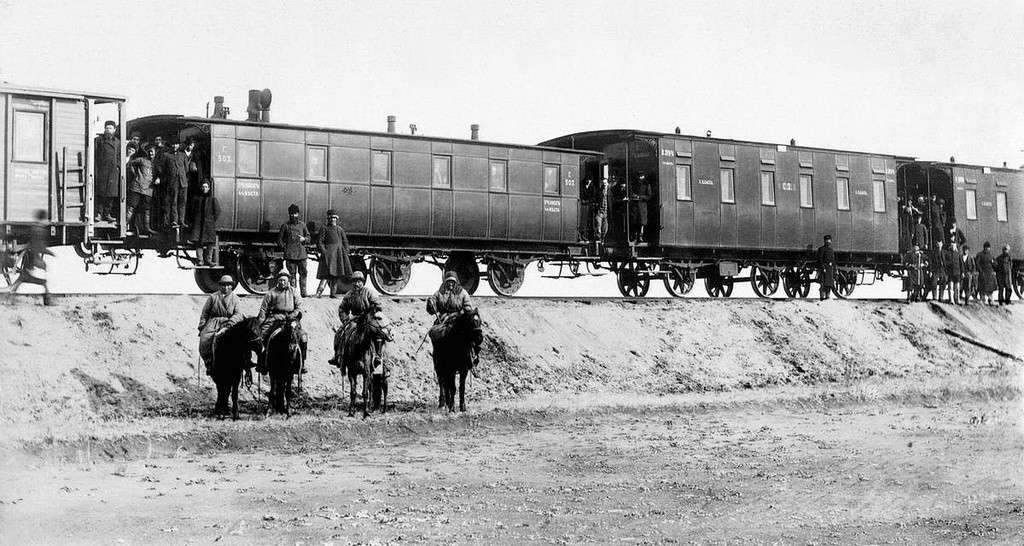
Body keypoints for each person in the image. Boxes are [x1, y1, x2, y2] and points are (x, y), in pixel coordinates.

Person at [330, 270, 383, 369]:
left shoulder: (369, 293)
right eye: (354, 281)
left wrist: (370, 315)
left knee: (378, 333)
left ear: (363, 282)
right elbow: (342, 309)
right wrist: (345, 319)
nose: (356, 284)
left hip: (368, 320)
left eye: (359, 282)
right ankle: (338, 356)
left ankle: (377, 355)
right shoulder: (348, 295)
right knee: (339, 333)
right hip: (354, 320)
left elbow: (377, 306)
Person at [257, 269, 304, 372]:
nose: (282, 283)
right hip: (275, 319)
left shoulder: (294, 292)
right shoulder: (271, 293)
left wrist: (293, 315)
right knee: (262, 337)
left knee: (303, 337)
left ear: (288, 281)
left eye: (284, 281)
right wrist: (261, 324)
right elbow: (263, 310)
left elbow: (300, 308)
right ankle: (262, 363)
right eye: (280, 280)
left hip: (291, 320)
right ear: (277, 281)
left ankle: (301, 364)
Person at [7, 209, 55, 306]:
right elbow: (38, 246)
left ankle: (10, 297)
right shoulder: (40, 230)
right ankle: (47, 299)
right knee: (40, 280)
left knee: (25, 279)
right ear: (43, 219)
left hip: (31, 258)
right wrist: (49, 253)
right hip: (34, 259)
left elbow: (33, 245)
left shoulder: (35, 228)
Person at [197, 275, 243, 376]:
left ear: (231, 286)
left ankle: (244, 364)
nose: (225, 288)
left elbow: (238, 314)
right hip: (214, 323)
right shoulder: (213, 297)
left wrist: (230, 323)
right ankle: (209, 364)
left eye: (228, 285)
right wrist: (202, 327)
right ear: (219, 286)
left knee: (241, 341)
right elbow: (205, 313)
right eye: (223, 285)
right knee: (205, 340)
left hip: (229, 323)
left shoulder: (235, 299)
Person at [314, 210, 353, 297]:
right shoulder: (324, 229)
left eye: (334, 218)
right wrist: (325, 252)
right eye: (331, 218)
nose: (333, 220)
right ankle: (318, 293)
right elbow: (319, 242)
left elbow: (345, 241)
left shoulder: (340, 229)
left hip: (338, 254)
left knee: (336, 275)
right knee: (325, 275)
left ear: (337, 219)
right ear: (328, 219)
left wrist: (346, 252)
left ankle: (333, 293)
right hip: (328, 255)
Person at [278, 203, 310, 297]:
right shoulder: (285, 226)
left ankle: (303, 293)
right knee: (292, 274)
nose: (293, 216)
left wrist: (304, 239)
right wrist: (286, 248)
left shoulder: (303, 225)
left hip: (302, 254)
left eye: (295, 213)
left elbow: (308, 238)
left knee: (303, 273)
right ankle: (294, 294)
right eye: (291, 214)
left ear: (298, 214)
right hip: (290, 255)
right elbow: (279, 240)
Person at [188, 179, 220, 266]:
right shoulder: (196, 198)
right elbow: (192, 210)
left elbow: (217, 211)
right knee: (198, 242)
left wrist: (211, 220)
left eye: (206, 187)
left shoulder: (212, 199)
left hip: (209, 224)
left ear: (209, 188)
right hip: (198, 224)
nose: (204, 189)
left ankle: (208, 260)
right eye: (203, 187)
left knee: (210, 243)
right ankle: (200, 260)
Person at [93, 120, 120, 223]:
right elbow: (94, 156)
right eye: (107, 128)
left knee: (111, 194)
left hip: (113, 171)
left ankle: (107, 214)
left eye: (110, 128)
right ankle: (99, 213)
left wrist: (117, 166)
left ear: (114, 130)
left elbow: (119, 156)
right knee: (101, 193)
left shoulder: (117, 142)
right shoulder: (98, 140)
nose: (108, 130)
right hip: (101, 170)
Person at [126, 145, 156, 236]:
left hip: (148, 190)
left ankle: (147, 228)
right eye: (149, 151)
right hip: (137, 188)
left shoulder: (157, 163)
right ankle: (125, 225)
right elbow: (130, 163)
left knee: (147, 209)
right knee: (131, 207)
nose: (151, 153)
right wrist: (135, 174)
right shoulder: (141, 160)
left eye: (152, 151)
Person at [161, 139, 189, 229]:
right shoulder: (167, 156)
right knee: (174, 202)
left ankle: (182, 220)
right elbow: (164, 169)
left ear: (179, 145)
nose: (175, 146)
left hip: (183, 182)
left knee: (183, 202)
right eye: (173, 144)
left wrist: (181, 175)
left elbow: (186, 169)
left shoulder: (183, 155)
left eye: (176, 144)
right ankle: (174, 220)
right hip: (173, 182)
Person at [630, 173, 652, 243]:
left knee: (642, 222)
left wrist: (641, 197)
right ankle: (634, 236)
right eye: (639, 176)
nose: (640, 178)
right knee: (634, 221)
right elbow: (631, 192)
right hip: (635, 205)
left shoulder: (646, 185)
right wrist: (634, 195)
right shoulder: (635, 184)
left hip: (642, 205)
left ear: (644, 177)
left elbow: (649, 196)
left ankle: (641, 236)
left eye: (641, 176)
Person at [976, 242, 997, 306]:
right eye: (987, 247)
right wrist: (980, 270)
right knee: (983, 287)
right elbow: (977, 263)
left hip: (990, 272)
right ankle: (984, 299)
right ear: (984, 248)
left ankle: (990, 300)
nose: (988, 249)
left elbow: (995, 264)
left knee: (991, 288)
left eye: (989, 247)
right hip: (984, 272)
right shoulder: (980, 254)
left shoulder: (991, 255)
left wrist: (993, 262)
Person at [817, 234, 836, 301]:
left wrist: (834, 268)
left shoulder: (831, 250)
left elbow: (833, 260)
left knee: (829, 283)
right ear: (824, 241)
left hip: (830, 268)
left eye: (829, 240)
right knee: (823, 283)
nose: (828, 241)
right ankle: (822, 298)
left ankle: (827, 297)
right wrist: (823, 267)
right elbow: (820, 259)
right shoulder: (822, 249)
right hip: (825, 267)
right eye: (827, 240)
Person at [578, 177, 595, 242]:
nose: (589, 181)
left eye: (590, 180)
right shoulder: (581, 185)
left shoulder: (592, 187)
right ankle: (581, 234)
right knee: (582, 221)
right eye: (588, 180)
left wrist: (587, 201)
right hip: (582, 205)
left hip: (589, 206)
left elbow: (593, 197)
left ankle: (585, 235)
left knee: (588, 222)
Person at [594, 176, 609, 243]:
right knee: (598, 223)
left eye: (605, 183)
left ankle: (603, 238)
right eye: (603, 183)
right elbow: (596, 199)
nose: (604, 184)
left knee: (605, 227)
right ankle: (598, 237)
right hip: (600, 210)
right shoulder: (599, 191)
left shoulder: (609, 192)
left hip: (607, 211)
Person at [946, 241, 961, 305]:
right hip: (950, 272)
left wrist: (962, 271)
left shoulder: (958, 254)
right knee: (950, 286)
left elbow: (961, 263)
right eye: (952, 245)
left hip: (957, 272)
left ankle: (957, 299)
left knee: (957, 287)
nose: (953, 247)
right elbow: (945, 263)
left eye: (954, 245)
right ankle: (951, 299)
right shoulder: (947, 254)